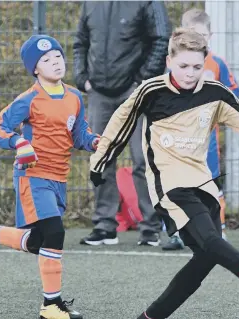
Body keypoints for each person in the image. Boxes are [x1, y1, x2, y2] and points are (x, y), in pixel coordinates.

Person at [88, 28, 239, 319]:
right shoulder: (151, 91)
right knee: (209, 240)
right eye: (183, 66)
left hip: (202, 182)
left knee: (205, 258)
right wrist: (100, 161)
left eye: (196, 67)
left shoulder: (216, 93)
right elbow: (120, 124)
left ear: (205, 63)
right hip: (169, 185)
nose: (190, 73)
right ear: (169, 62)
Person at [0, 35, 99, 319]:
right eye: (47, 60)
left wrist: (94, 142)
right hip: (33, 176)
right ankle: (51, 304)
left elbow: (79, 136)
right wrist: (18, 143)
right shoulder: (29, 99)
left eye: (59, 57)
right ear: (35, 69)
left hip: (59, 178)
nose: (56, 63)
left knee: (39, 241)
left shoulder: (74, 97)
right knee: (55, 233)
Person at [73, 1, 171, 247]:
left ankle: (150, 228)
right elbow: (81, 41)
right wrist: (82, 78)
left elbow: (161, 39)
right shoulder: (91, 4)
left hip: (136, 92)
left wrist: (142, 81)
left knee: (143, 160)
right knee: (101, 158)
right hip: (99, 93)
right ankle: (104, 226)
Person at [162, 8, 239, 250]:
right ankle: (177, 232)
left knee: (210, 183)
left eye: (203, 35)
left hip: (207, 140)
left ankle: (219, 230)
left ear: (211, 36)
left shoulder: (217, 64)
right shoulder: (176, 63)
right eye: (192, 34)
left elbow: (233, 93)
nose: (198, 40)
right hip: (178, 140)